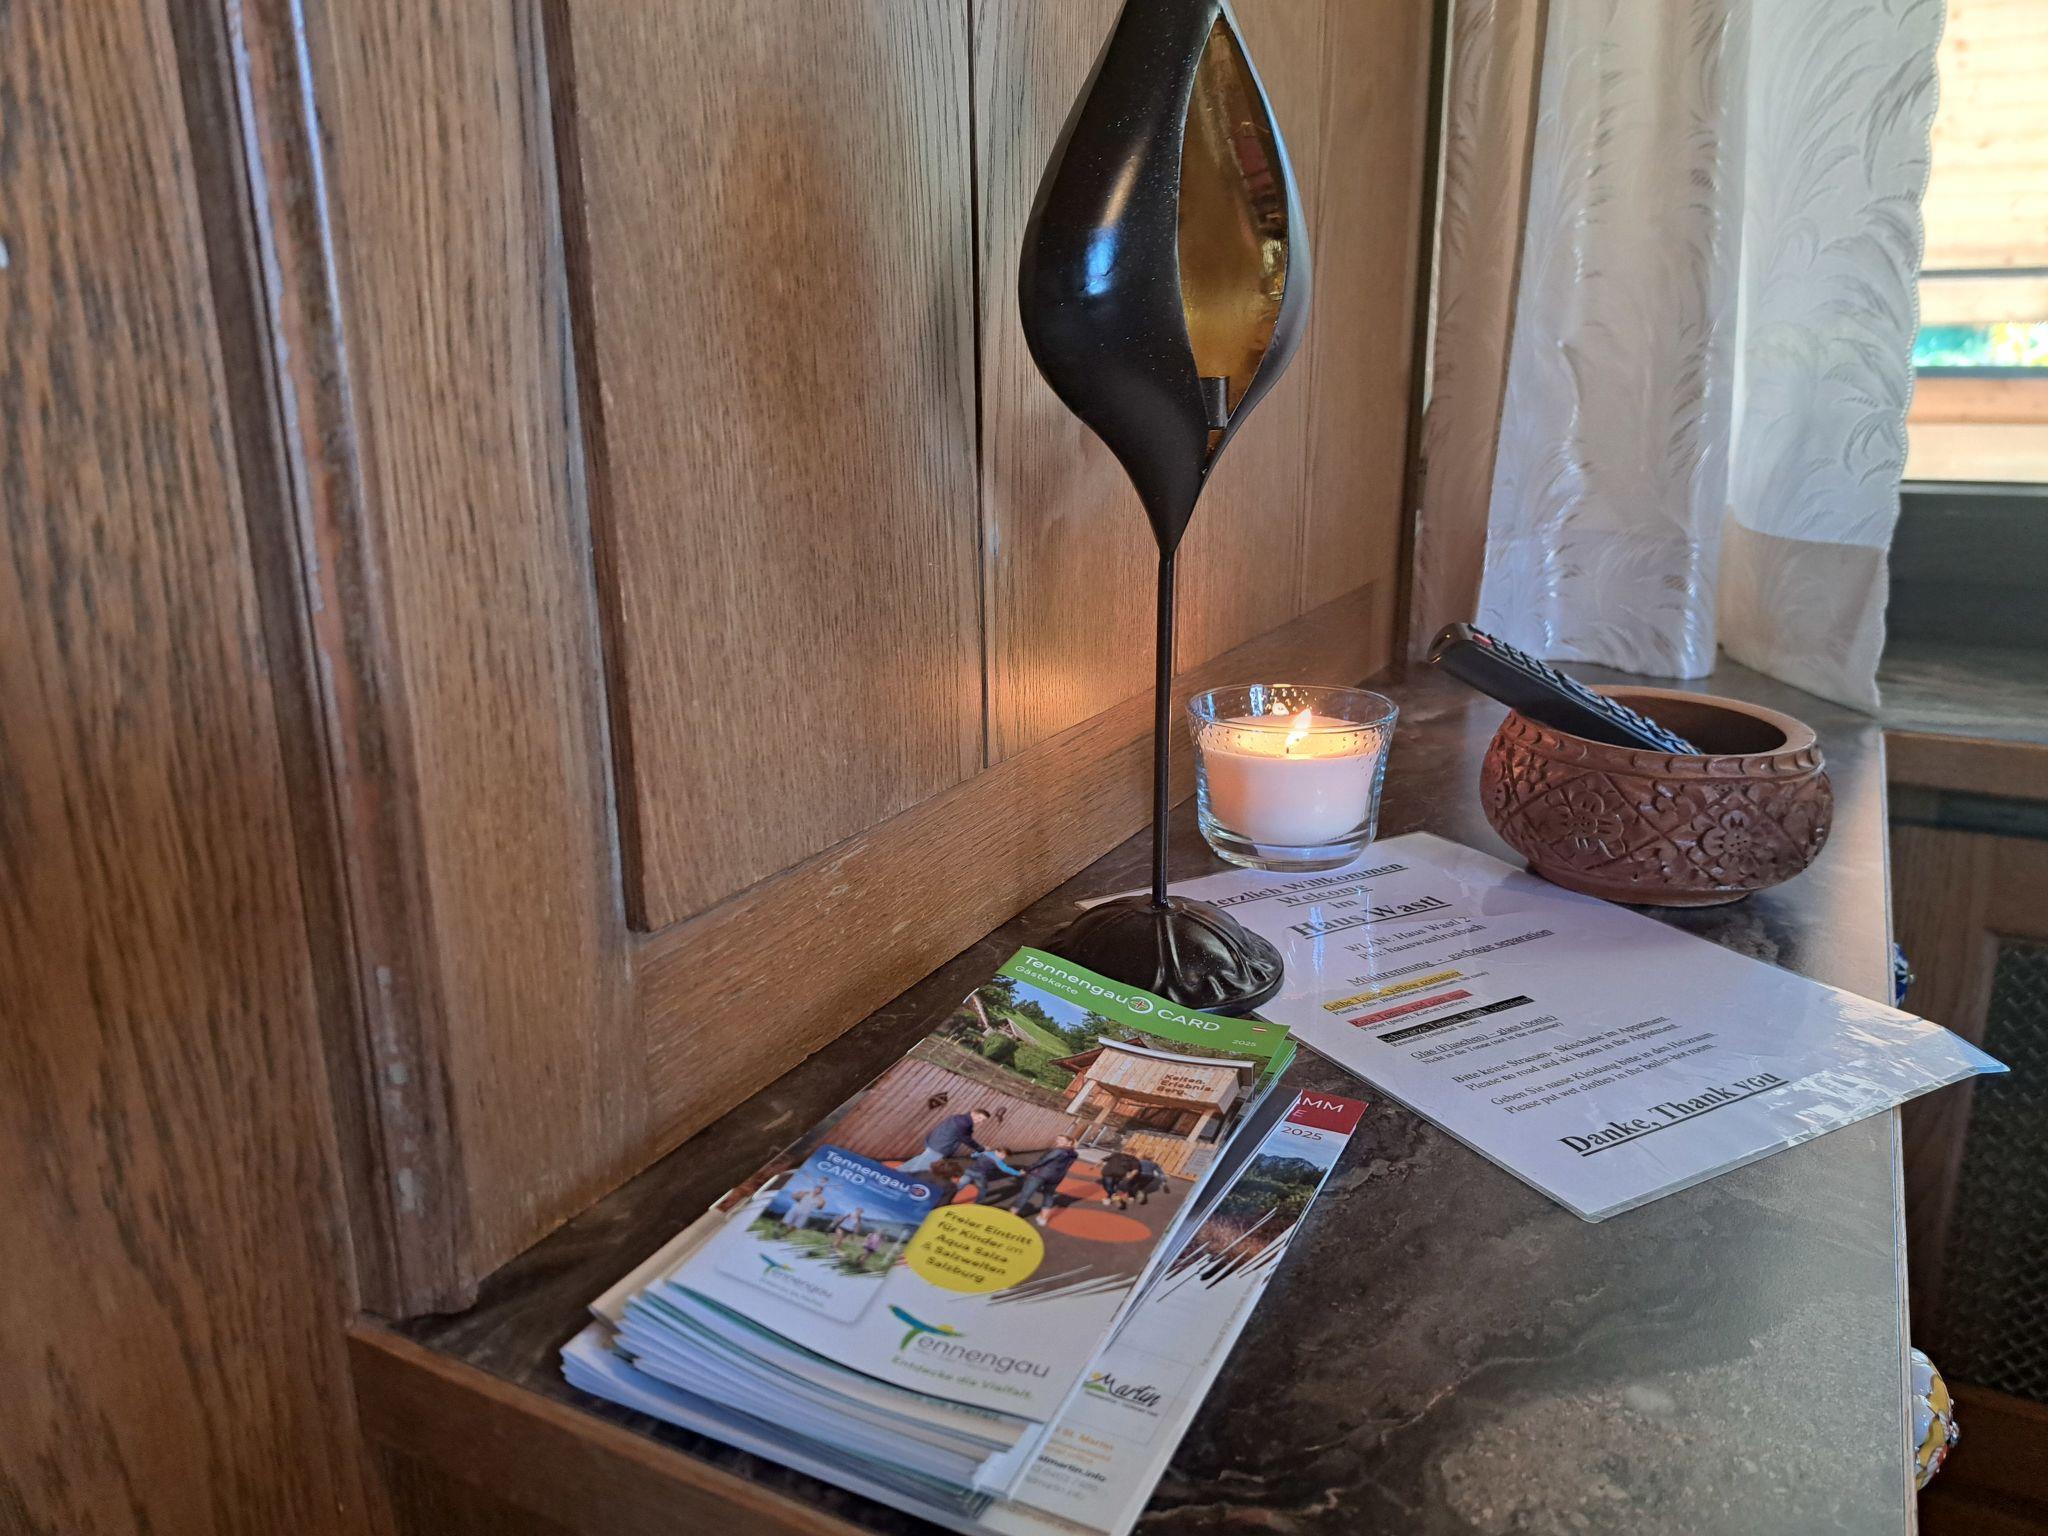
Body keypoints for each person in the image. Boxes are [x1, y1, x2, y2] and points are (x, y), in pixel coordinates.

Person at [898, 1106, 991, 1173]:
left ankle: (898, 1172)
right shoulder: (964, 1124)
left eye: (982, 1120)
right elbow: (967, 1140)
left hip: (934, 1142)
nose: (980, 1121)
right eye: (979, 1117)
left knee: (920, 1160)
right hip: (941, 1147)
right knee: (920, 1169)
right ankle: (905, 1184)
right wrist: (982, 1149)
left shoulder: (958, 1117)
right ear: (973, 1113)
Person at [1011, 1136, 1078, 1228]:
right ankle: (1043, 1219)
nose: (1058, 1141)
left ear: (1069, 1142)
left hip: (1040, 1175)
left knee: (1025, 1194)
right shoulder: (1074, 1154)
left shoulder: (1058, 1150)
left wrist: (1027, 1169)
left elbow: (1043, 1161)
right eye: (1057, 1139)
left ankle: (1011, 1216)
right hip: (1056, 1178)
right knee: (1048, 1196)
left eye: (1061, 1140)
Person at [958, 1146, 1024, 1204]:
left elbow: (973, 1155)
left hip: (969, 1171)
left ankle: (952, 1194)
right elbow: (1005, 1169)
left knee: (960, 1185)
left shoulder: (985, 1152)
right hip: (980, 1175)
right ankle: (978, 1202)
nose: (1003, 1157)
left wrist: (982, 1149)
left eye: (1005, 1156)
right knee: (983, 1189)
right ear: (996, 1151)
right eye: (1002, 1155)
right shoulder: (997, 1160)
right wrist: (1018, 1173)